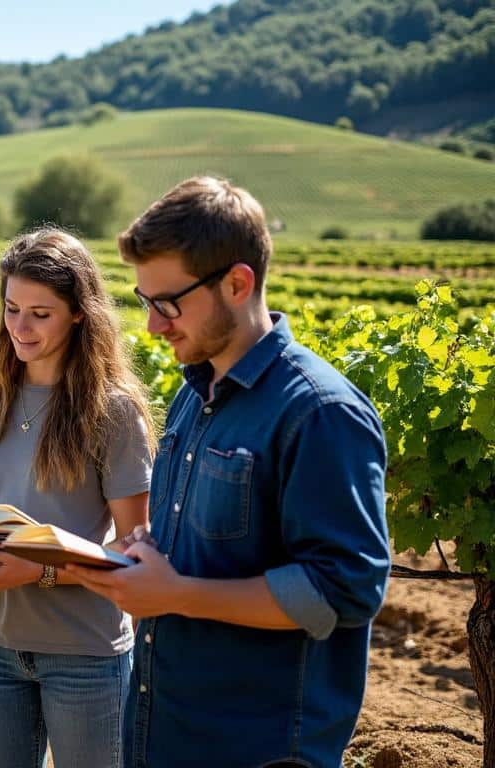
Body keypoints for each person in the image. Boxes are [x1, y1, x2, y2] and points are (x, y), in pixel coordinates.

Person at [67, 176, 390, 767]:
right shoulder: (194, 395)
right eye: (145, 302)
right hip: (166, 732)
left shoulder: (318, 413)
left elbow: (343, 588)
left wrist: (178, 594)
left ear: (237, 284)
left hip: (255, 746)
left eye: (168, 304)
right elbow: (204, 547)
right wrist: (141, 555)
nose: (153, 326)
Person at [0, 227, 154, 768]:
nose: (20, 327)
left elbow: (135, 551)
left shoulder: (112, 411)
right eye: (12, 309)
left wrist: (40, 573)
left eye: (40, 313)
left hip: (85, 654)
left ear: (79, 313)